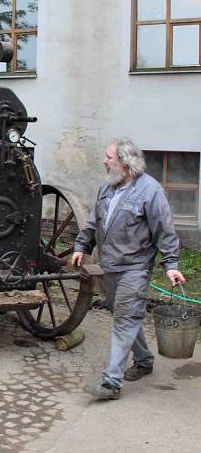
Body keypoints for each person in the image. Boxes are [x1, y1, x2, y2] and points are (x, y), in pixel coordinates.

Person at [72, 138, 185, 401]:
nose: (104, 161)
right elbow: (93, 221)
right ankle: (144, 359)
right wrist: (81, 246)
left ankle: (111, 383)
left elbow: (165, 231)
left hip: (135, 269)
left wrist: (171, 265)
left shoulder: (150, 191)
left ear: (125, 161)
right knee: (124, 315)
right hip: (110, 266)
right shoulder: (106, 187)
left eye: (109, 157)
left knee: (124, 320)